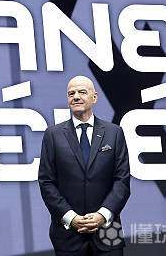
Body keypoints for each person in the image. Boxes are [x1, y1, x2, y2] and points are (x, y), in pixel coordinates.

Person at [38, 76, 130, 256]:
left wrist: (102, 215)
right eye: (71, 93)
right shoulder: (53, 135)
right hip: (68, 235)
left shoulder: (114, 133)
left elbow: (122, 181)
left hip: (108, 232)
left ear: (94, 97)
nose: (76, 97)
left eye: (82, 92)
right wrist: (71, 218)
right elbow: (46, 182)